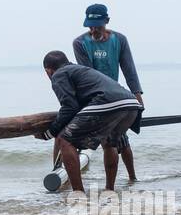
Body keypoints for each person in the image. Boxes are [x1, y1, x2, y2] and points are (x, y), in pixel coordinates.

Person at [35, 51, 143, 193]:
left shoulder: (59, 74)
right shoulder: (79, 69)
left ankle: (78, 193)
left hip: (108, 102)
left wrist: (49, 133)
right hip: (130, 104)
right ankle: (109, 190)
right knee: (109, 142)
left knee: (64, 140)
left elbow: (69, 107)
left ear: (48, 70)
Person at [73, 5, 142, 181]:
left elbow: (129, 69)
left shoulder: (119, 40)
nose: (94, 30)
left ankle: (132, 178)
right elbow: (87, 74)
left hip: (117, 95)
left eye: (98, 26)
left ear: (107, 21)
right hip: (94, 96)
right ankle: (124, 182)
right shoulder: (80, 43)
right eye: (91, 26)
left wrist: (137, 96)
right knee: (111, 139)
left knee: (118, 137)